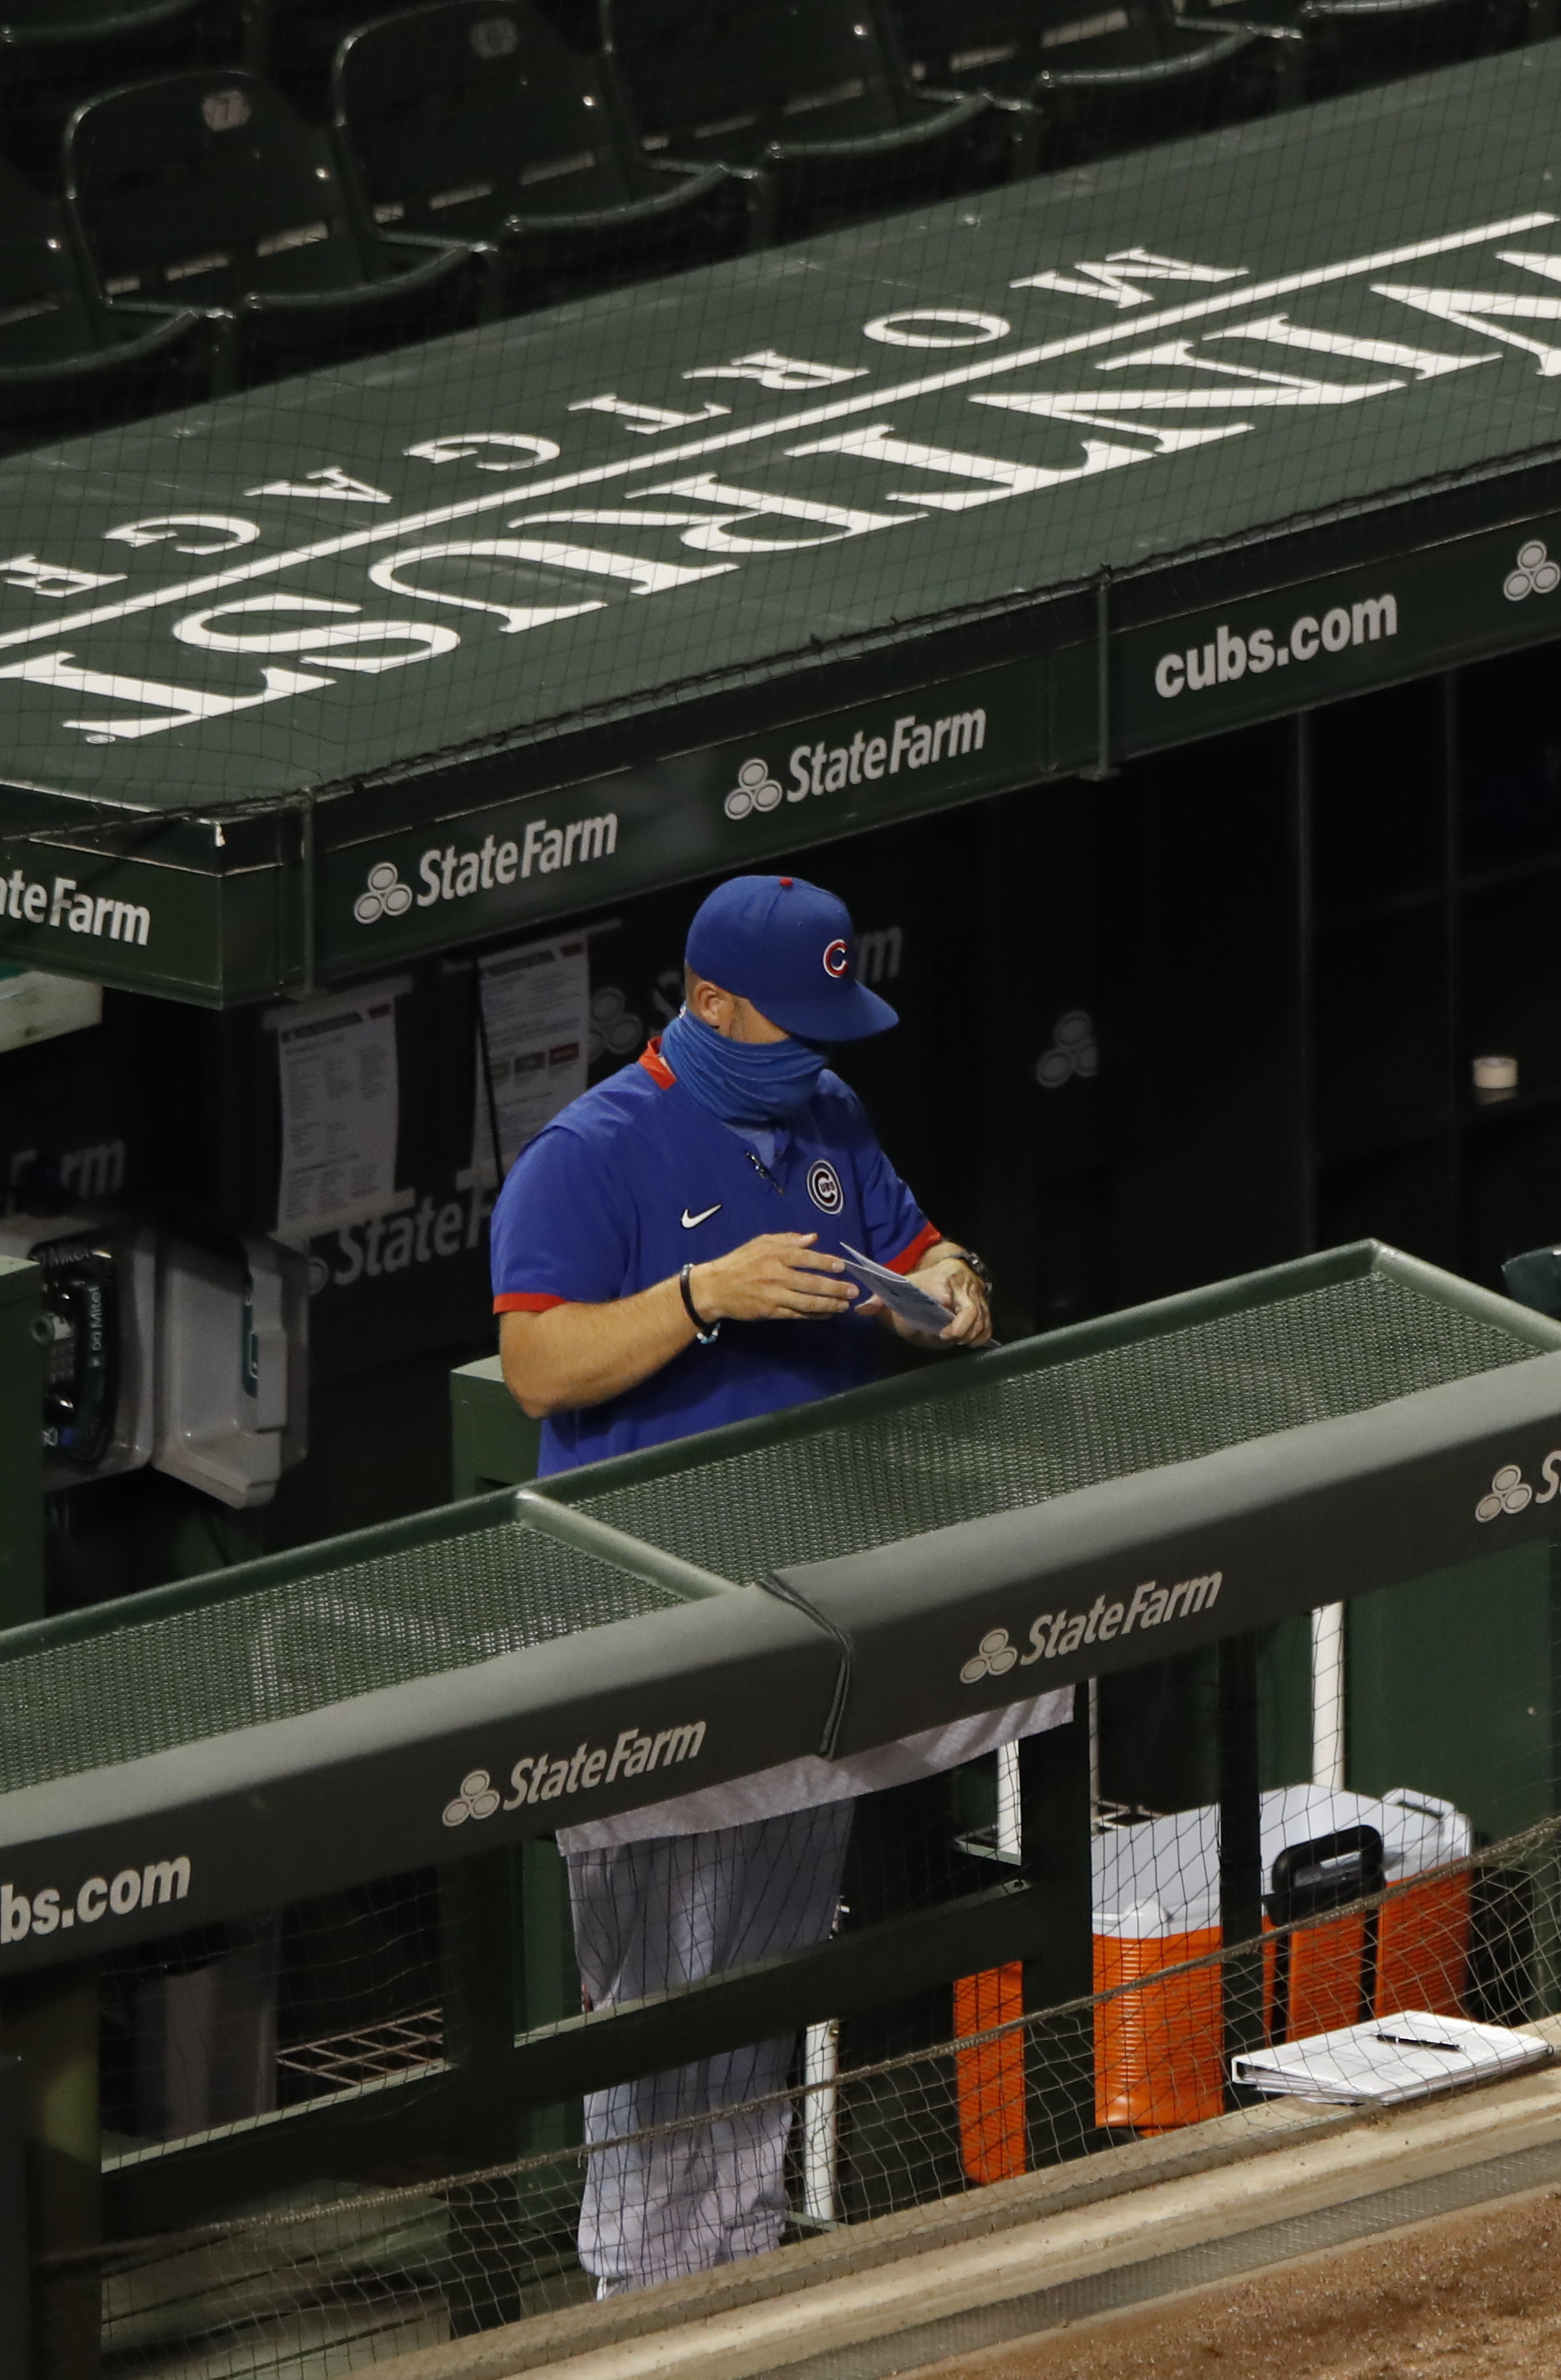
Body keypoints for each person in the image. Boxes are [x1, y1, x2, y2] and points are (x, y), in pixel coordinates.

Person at [486, 872, 995, 2294]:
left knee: (767, 1971)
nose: (813, 1051)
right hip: (648, 1627)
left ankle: (735, 2274)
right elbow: (538, 1364)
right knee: (652, 1993)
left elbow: (918, 1246)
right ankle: (635, 2295)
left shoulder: (827, 1114)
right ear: (708, 1000)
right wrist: (704, 1294)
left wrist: (951, 1284)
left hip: (807, 1600)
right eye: (789, 1018)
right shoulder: (589, 1154)